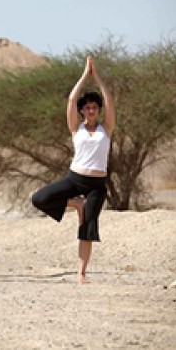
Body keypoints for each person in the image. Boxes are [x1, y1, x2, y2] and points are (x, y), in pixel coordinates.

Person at [31, 55, 115, 284]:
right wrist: (83, 76)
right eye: (87, 108)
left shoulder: (106, 129)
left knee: (87, 227)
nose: (91, 111)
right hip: (75, 179)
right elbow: (70, 100)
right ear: (81, 111)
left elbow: (108, 99)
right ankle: (76, 203)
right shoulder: (75, 129)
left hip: (97, 185)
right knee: (39, 198)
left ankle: (81, 273)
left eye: (94, 107)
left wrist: (96, 76)